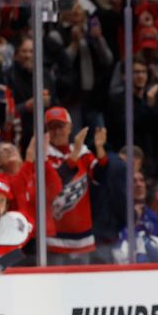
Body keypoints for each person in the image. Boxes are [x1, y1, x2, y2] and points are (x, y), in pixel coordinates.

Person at [44, 106, 108, 264]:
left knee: (83, 285)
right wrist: (75, 153)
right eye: (52, 127)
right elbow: (55, 182)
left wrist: (99, 148)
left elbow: (100, 177)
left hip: (82, 238)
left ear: (70, 127)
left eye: (60, 126)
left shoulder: (83, 152)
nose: (57, 131)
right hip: (54, 239)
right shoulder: (43, 154)